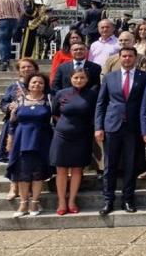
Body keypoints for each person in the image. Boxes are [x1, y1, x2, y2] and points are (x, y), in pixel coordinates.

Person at [95, 47, 146, 215]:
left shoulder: (145, 77)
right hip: (112, 126)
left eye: (130, 56)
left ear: (135, 58)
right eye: (124, 56)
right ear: (119, 58)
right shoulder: (110, 77)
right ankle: (108, 200)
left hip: (133, 128)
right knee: (110, 166)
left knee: (130, 165)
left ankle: (128, 199)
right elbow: (101, 103)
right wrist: (98, 127)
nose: (127, 59)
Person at [6, 73, 53, 217]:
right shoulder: (19, 100)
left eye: (40, 83)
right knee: (22, 172)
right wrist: (10, 140)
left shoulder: (49, 100)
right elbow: (12, 122)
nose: (37, 84)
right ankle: (23, 203)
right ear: (28, 84)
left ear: (44, 86)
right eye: (34, 82)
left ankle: (34, 202)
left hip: (42, 140)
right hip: (21, 139)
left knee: (38, 172)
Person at [50, 69, 97, 215]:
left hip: (82, 136)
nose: (79, 80)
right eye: (76, 77)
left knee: (77, 170)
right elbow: (55, 113)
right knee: (61, 169)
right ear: (71, 79)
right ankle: (61, 202)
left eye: (82, 78)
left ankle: (72, 201)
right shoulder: (61, 93)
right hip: (62, 136)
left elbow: (95, 114)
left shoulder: (92, 94)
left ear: (87, 79)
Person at [0, 58, 39, 204]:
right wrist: (9, 107)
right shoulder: (13, 87)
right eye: (23, 67)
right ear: (19, 71)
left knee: (30, 157)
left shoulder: (40, 83)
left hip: (33, 127)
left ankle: (29, 186)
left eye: (29, 67)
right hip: (15, 126)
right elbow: (3, 103)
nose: (26, 69)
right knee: (13, 157)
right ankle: (13, 186)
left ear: (35, 69)